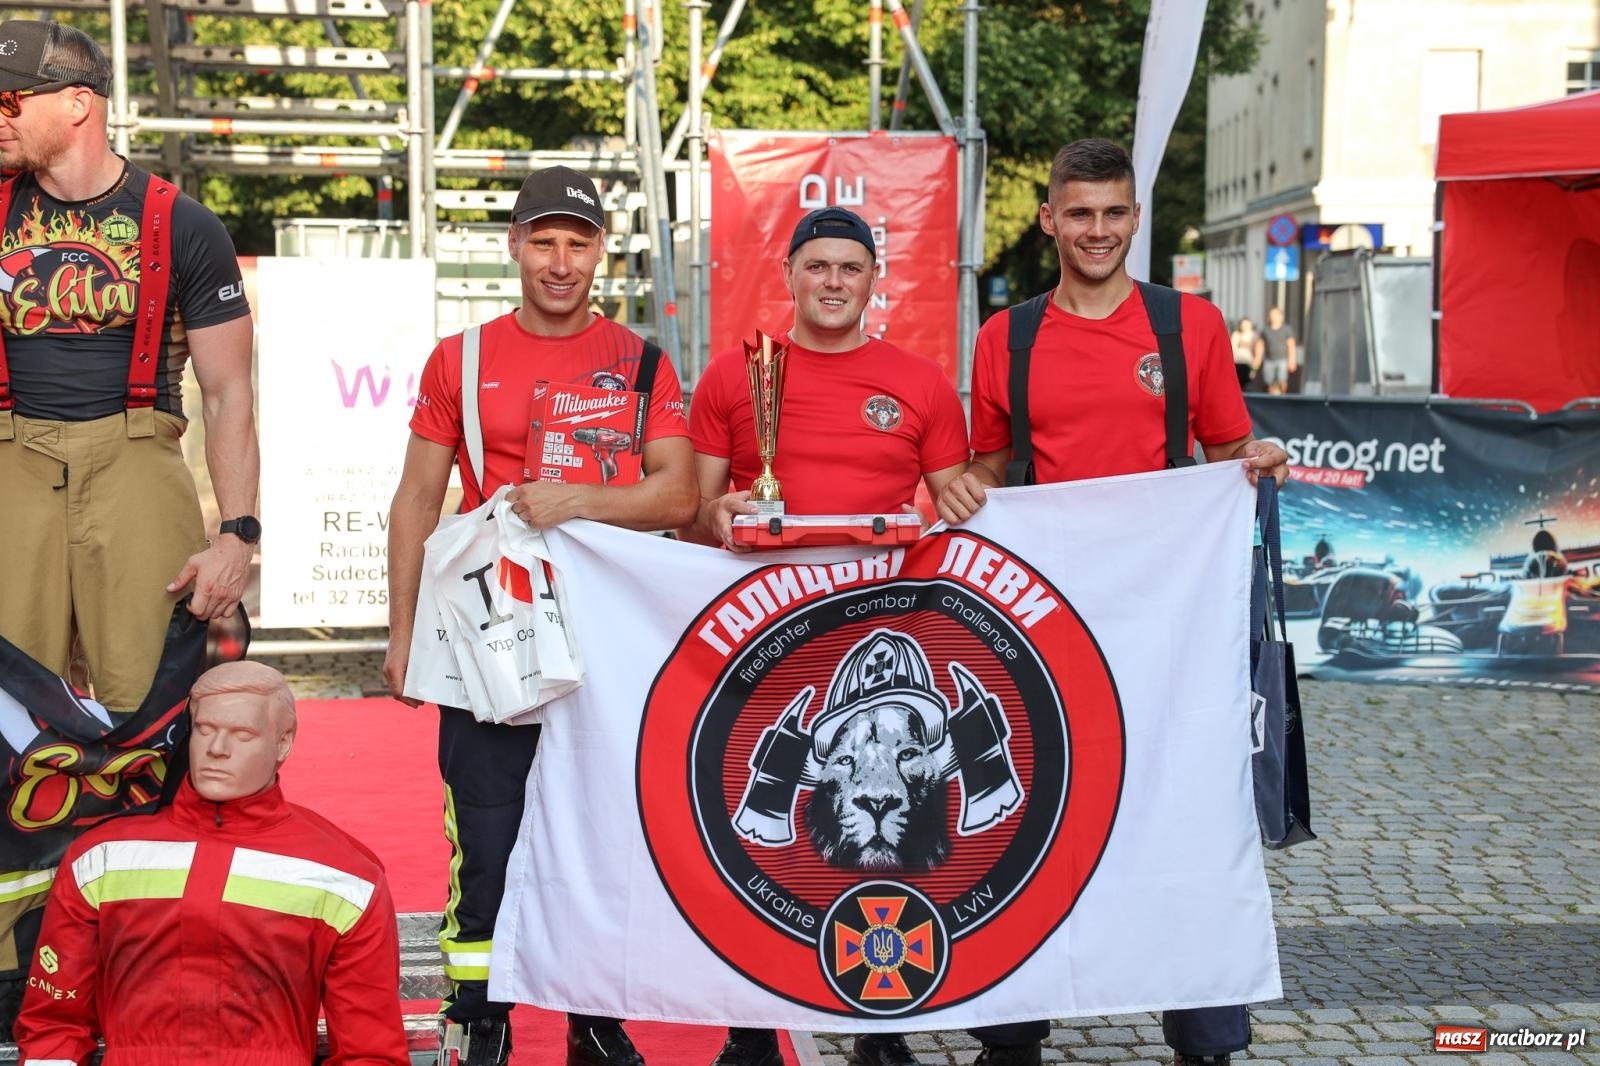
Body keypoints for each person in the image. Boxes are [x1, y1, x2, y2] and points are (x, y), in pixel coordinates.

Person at [935, 139, 1288, 1066]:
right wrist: (960, 487)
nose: (1098, 230)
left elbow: (1225, 451)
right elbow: (986, 462)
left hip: (1170, 622)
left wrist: (1253, 461)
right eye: (1079, 212)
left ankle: (1203, 1036)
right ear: (1049, 218)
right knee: (1030, 812)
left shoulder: (1189, 328)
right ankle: (1011, 1034)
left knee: (1184, 812)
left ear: (1137, 219)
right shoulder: (1005, 337)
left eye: (1115, 213)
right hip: (1045, 622)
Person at [385, 165, 698, 1066]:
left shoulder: (639, 359)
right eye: (544, 242)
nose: (561, 262)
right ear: (515, 246)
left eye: (579, 242)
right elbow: (415, 500)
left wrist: (578, 500)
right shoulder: (462, 357)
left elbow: (676, 493)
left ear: (601, 250)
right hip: (488, 632)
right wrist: (401, 634)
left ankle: (594, 1020)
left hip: (605, 629)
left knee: (603, 827)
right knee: (485, 832)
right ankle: (478, 1017)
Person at [0, 20, 257, 1036]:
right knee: (2, 726)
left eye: (12, 100)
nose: (1, 118)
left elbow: (232, 395)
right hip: (11, 459)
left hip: (141, 458)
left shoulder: (181, 224)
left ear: (80, 101)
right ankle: (10, 975)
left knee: (148, 717)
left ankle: (155, 954)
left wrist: (237, 529)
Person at [683, 205, 969, 1066]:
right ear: (790, 277)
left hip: (874, 651)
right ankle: (747, 1026)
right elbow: (693, 513)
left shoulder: (919, 385)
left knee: (882, 834)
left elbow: (957, 503)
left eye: (851, 267)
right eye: (818, 267)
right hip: (760, 646)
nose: (834, 282)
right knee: (747, 834)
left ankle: (881, 1023)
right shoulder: (735, 379)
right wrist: (717, 511)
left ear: (874, 279)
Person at [11, 662, 408, 1064]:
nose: (217, 748)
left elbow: (370, 1051)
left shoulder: (345, 875)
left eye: (242, 734)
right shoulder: (101, 858)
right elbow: (54, 1023)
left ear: (284, 743)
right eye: (204, 729)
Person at [1253, 306, 1297, 395]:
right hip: (1269, 359)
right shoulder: (1265, 330)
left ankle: (1283, 397)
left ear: (1281, 317)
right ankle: (1271, 398)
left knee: (1282, 380)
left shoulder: (1286, 329)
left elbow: (1291, 345)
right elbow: (1260, 345)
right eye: (1272, 315)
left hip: (1282, 359)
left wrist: (1292, 360)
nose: (1274, 317)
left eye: (1276, 315)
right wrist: (1257, 358)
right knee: (1269, 382)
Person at [1230, 316, 1256, 390]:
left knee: (1248, 380)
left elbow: (1257, 348)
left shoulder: (1254, 335)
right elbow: (1233, 347)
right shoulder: (1236, 334)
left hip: (1249, 361)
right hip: (1238, 361)